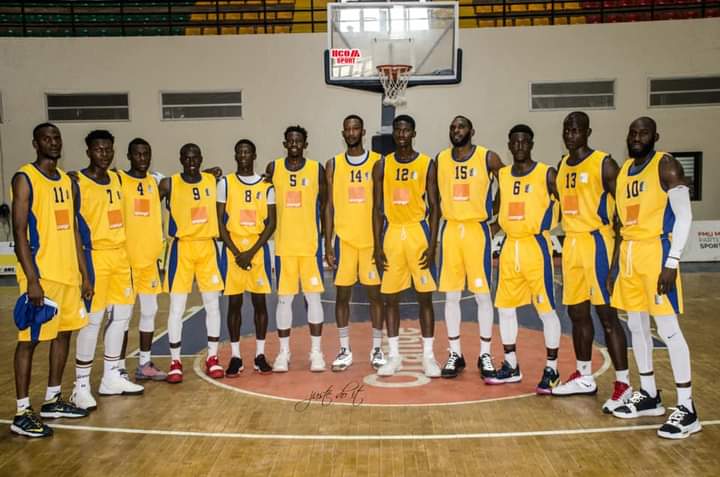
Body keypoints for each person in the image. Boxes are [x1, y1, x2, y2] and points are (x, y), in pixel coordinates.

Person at [609, 117, 700, 439]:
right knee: (635, 325)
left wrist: (672, 261)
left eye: (643, 133)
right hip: (630, 255)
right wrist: (616, 266)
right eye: (632, 133)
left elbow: (685, 216)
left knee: (667, 329)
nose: (637, 137)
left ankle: (687, 408)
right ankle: (649, 393)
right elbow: (621, 224)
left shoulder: (666, 166)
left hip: (657, 252)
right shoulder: (624, 171)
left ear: (655, 136)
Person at [10, 123, 91, 437]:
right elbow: (19, 232)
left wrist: (84, 273)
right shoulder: (25, 177)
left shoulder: (68, 182)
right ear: (36, 143)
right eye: (46, 138)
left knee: (63, 335)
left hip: (68, 274)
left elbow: (73, 231)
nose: (53, 142)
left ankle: (53, 399)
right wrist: (32, 279)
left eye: (56, 137)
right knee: (29, 341)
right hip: (42, 275)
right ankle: (21, 412)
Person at [551, 112, 631, 412]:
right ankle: (584, 376)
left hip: (597, 242)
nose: (570, 135)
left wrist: (617, 258)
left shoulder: (604, 163)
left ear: (587, 132)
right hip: (571, 243)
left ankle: (623, 384)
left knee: (607, 316)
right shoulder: (562, 165)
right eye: (567, 130)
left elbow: (624, 210)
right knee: (577, 313)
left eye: (576, 130)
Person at [70, 130, 143, 411]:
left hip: (120, 257)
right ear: (88, 152)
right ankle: (80, 386)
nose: (104, 154)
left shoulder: (117, 179)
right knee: (93, 321)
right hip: (95, 256)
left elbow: (148, 180)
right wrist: (83, 273)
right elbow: (74, 230)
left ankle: (111, 377)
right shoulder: (77, 183)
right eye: (99, 149)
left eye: (108, 149)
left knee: (121, 318)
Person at [490, 124, 563, 394]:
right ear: (509, 145)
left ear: (531, 144)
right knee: (505, 308)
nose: (519, 146)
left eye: (524, 142)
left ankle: (552, 369)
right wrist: (489, 231)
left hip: (535, 246)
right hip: (510, 246)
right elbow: (500, 210)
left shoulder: (547, 173)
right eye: (515, 142)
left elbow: (567, 202)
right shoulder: (504, 175)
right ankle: (511, 365)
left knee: (545, 310)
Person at [436, 115, 505, 379]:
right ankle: (455, 353)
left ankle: (485, 354)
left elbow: (510, 183)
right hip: (451, 230)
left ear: (471, 131)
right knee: (451, 296)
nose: (456, 130)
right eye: (453, 127)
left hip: (478, 230)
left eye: (461, 126)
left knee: (482, 296)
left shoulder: (488, 157)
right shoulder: (441, 159)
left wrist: (497, 220)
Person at [372, 115, 441, 378]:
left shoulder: (426, 163)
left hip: (417, 232)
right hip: (392, 233)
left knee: (425, 297)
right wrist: (377, 246)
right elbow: (377, 209)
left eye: (406, 130)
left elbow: (435, 207)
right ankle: (394, 356)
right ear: (393, 133)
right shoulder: (382, 165)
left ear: (413, 133)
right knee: (390, 298)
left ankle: (428, 357)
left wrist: (432, 245)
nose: (402, 134)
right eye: (398, 130)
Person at [324, 115, 385, 371]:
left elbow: (381, 206)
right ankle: (344, 349)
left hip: (370, 241)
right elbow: (329, 206)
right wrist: (328, 243)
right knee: (342, 296)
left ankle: (377, 348)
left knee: (375, 297)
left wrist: (382, 242)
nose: (351, 133)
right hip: (344, 241)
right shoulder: (333, 164)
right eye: (347, 129)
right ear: (343, 133)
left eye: (355, 128)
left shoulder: (378, 161)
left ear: (363, 131)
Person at [160, 144, 224, 383]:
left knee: (213, 305)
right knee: (176, 308)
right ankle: (175, 361)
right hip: (182, 248)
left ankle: (213, 357)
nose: (191, 162)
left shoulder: (212, 180)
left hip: (207, 247)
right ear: (180, 159)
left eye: (195, 157)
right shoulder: (169, 184)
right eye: (186, 158)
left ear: (201, 158)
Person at [266, 125, 328, 372]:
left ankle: (316, 352)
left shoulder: (316, 169)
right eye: (290, 140)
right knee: (284, 301)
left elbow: (326, 206)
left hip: (310, 246)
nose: (294, 144)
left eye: (298, 141)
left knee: (313, 299)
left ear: (305, 144)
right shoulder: (274, 168)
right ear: (285, 144)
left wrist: (326, 240)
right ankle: (284, 353)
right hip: (284, 247)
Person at [217, 139, 275, 376]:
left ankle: (260, 355)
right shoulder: (225, 183)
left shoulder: (267, 186)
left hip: (257, 251)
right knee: (234, 305)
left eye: (247, 152)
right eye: (239, 152)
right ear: (235, 155)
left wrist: (250, 252)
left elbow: (272, 223)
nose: (243, 156)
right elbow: (219, 222)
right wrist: (236, 252)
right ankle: (236, 356)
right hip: (233, 251)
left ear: (254, 155)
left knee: (260, 304)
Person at [115, 138, 167, 381]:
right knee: (122, 318)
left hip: (149, 263)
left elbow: (182, 184)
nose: (142, 158)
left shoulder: (156, 181)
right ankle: (118, 367)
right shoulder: (118, 180)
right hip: (125, 263)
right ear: (129, 156)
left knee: (149, 312)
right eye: (137, 154)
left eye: (146, 154)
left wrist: (208, 173)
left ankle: (144, 363)